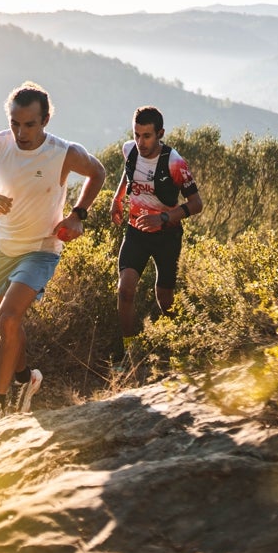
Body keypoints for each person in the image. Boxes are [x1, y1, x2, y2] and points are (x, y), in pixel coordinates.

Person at [0, 81, 106, 426]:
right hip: (2, 248)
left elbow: (98, 172)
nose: (21, 132)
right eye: (15, 123)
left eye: (30, 124)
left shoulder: (64, 153)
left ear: (45, 120)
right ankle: (26, 380)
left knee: (7, 318)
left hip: (41, 249)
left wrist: (78, 214)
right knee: (10, 329)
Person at [110, 105, 203, 371]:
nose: (140, 142)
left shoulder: (175, 162)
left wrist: (162, 218)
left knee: (165, 299)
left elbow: (196, 204)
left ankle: (179, 349)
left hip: (167, 236)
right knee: (125, 290)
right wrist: (118, 199)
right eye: (137, 134)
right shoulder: (130, 150)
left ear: (160, 133)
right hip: (136, 232)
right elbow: (128, 175)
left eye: (147, 136)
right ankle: (129, 355)